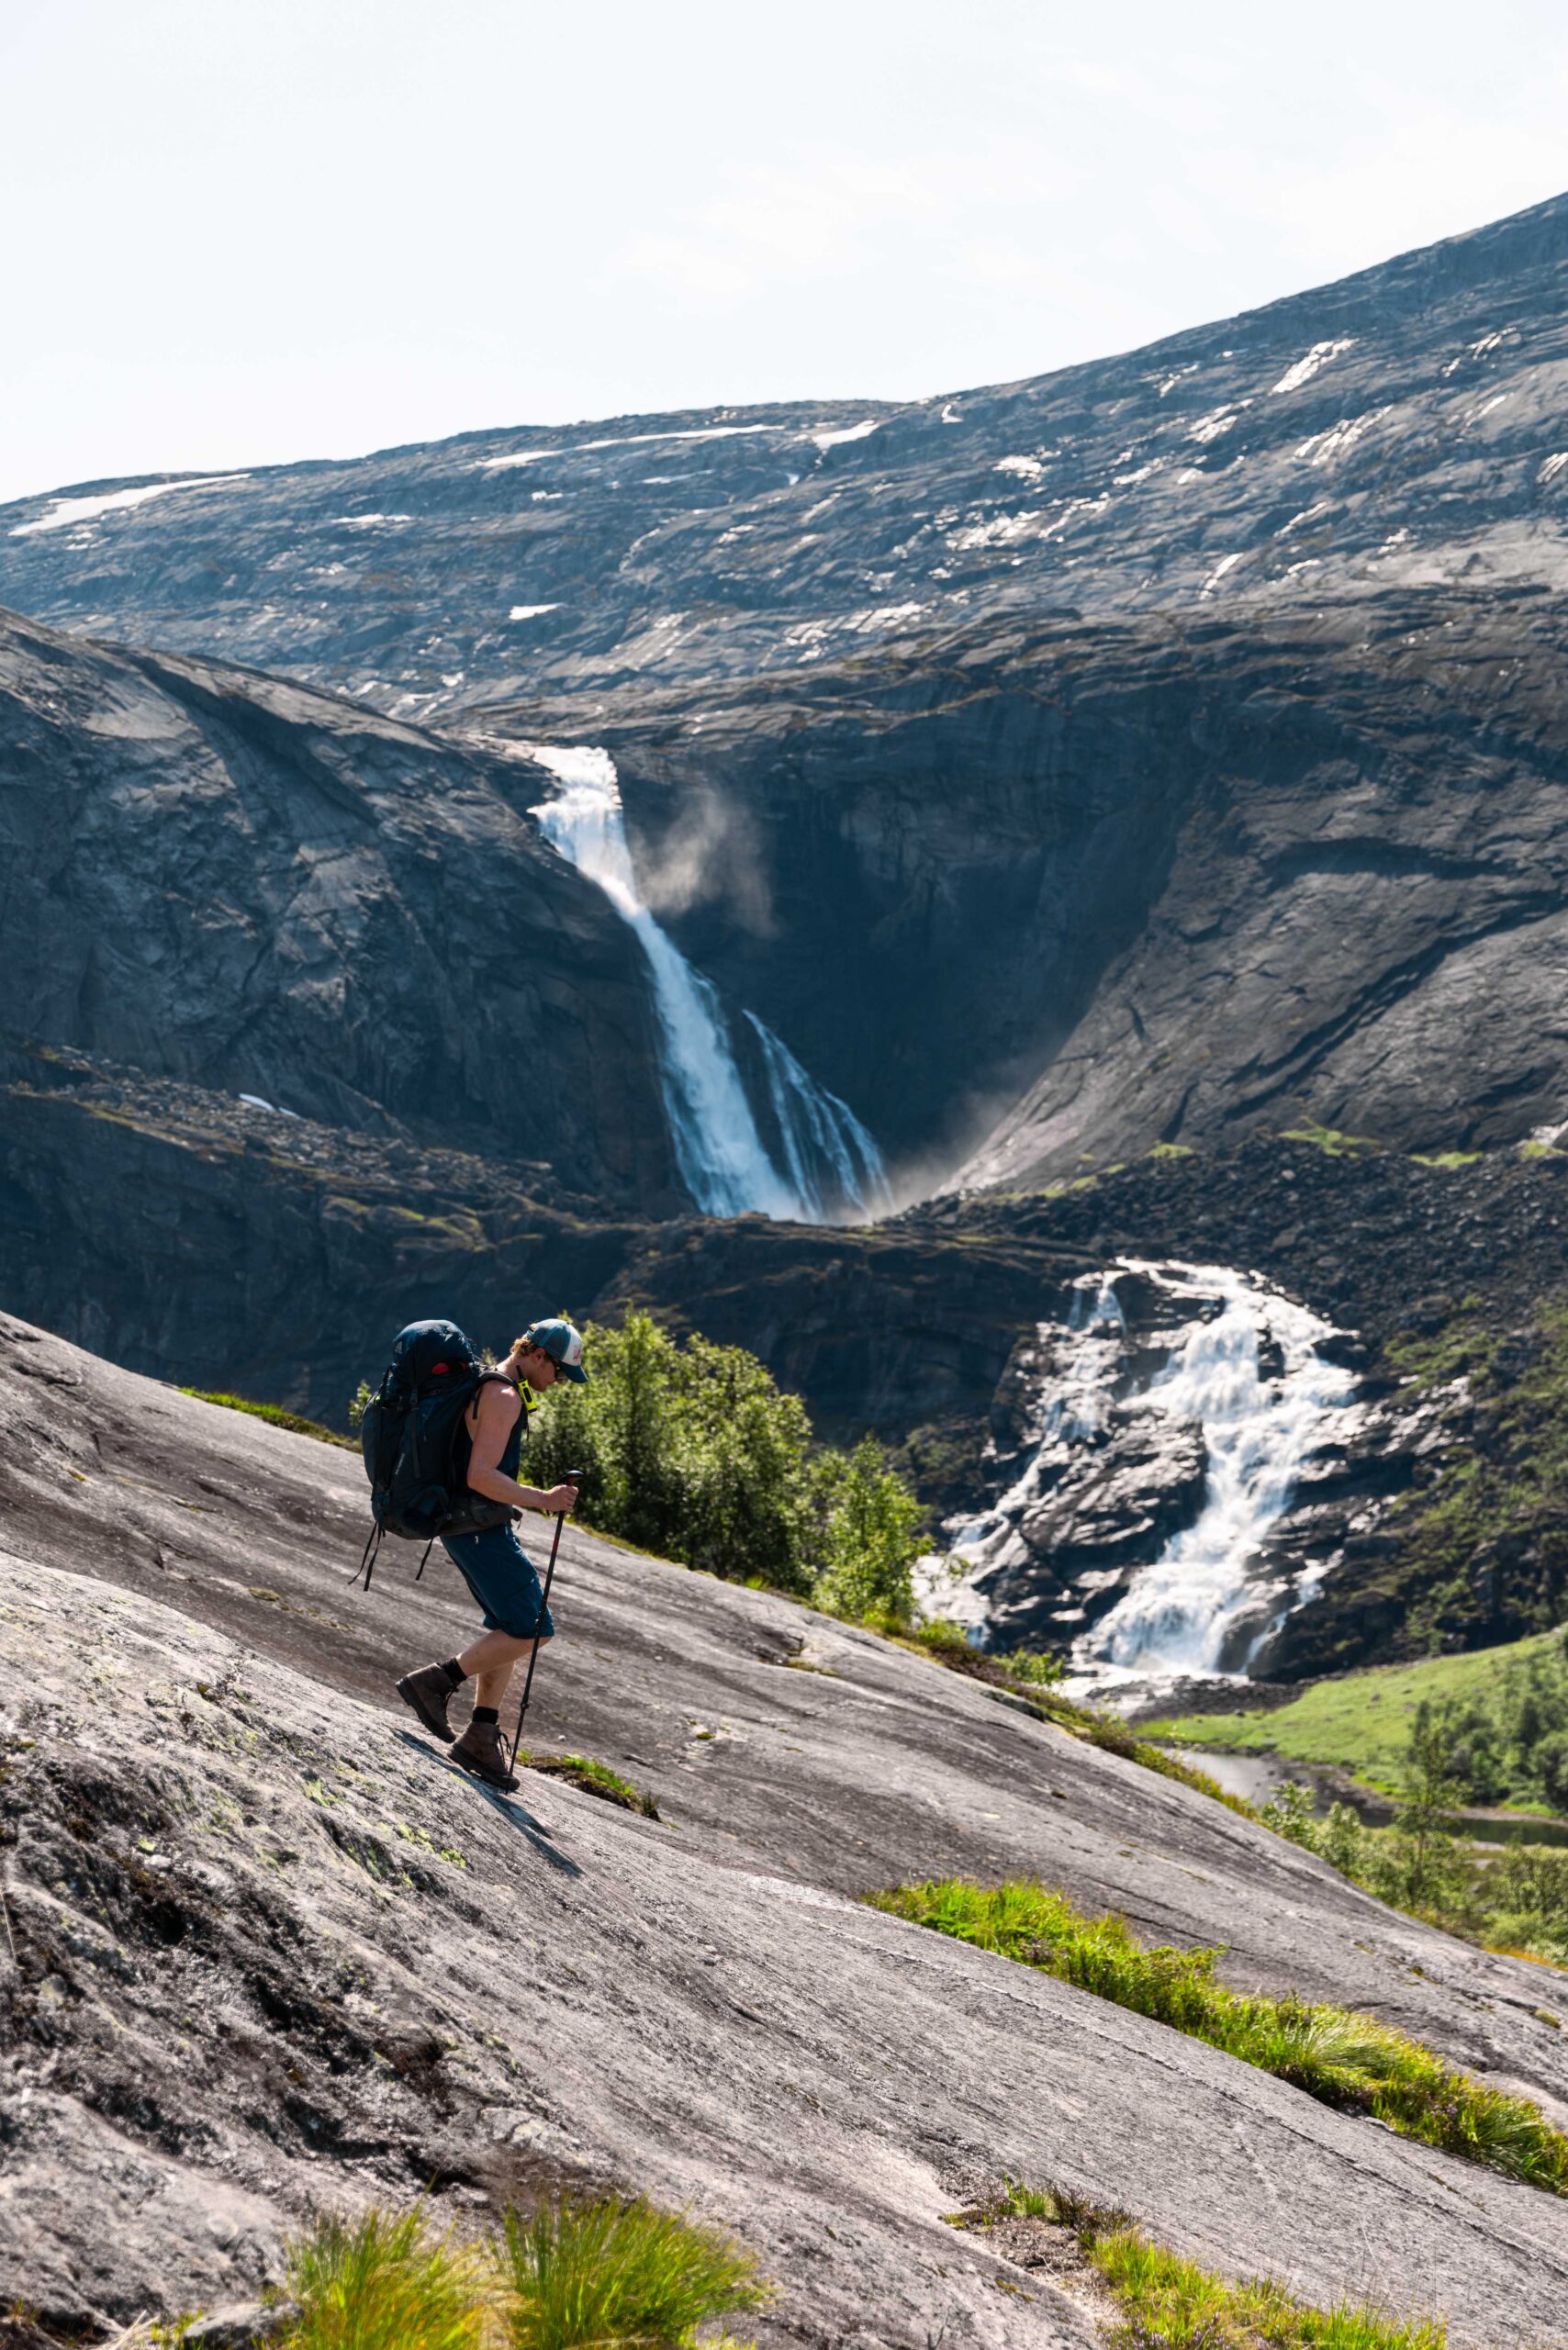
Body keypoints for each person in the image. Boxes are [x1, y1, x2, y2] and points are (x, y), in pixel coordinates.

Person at [395, 1318, 586, 1785]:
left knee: (509, 1626)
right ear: (538, 1355)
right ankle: (435, 1682)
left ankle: (481, 1734)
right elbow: (480, 1476)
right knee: (534, 1627)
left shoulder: (491, 1385)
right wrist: (544, 1498)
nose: (558, 1381)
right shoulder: (503, 1396)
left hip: (470, 1526)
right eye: (559, 1371)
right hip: (477, 1526)